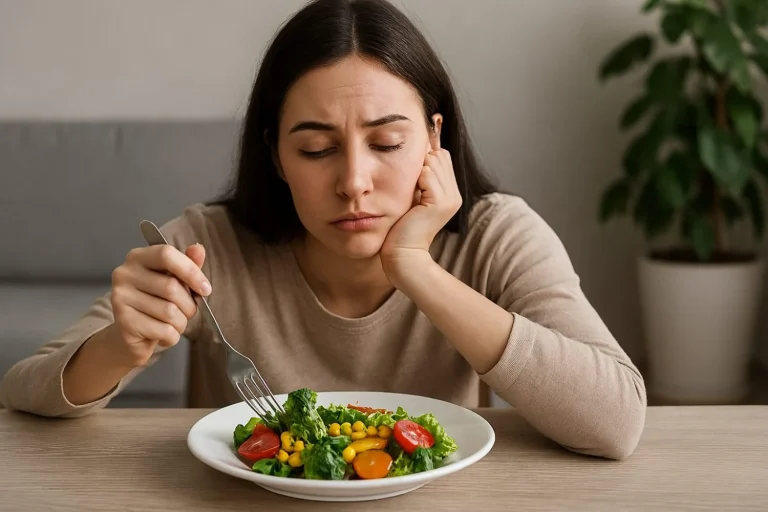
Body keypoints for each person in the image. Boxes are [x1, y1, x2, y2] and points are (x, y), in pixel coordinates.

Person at [0, 0, 645, 459]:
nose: (354, 181)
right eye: (316, 149)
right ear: (276, 155)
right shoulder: (209, 243)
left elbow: (615, 422)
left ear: (433, 140)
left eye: (387, 142)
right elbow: (24, 389)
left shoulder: (496, 234)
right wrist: (122, 344)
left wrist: (415, 267)